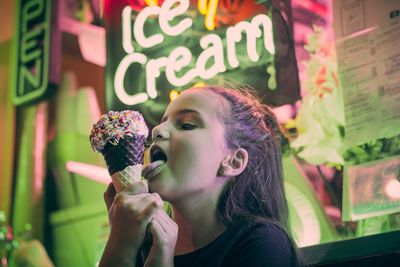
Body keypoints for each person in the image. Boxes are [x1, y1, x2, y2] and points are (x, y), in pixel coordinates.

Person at [99, 85, 301, 267]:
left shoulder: (262, 243)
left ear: (233, 161)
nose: (157, 130)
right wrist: (120, 243)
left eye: (187, 125)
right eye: (162, 122)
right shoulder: (140, 240)